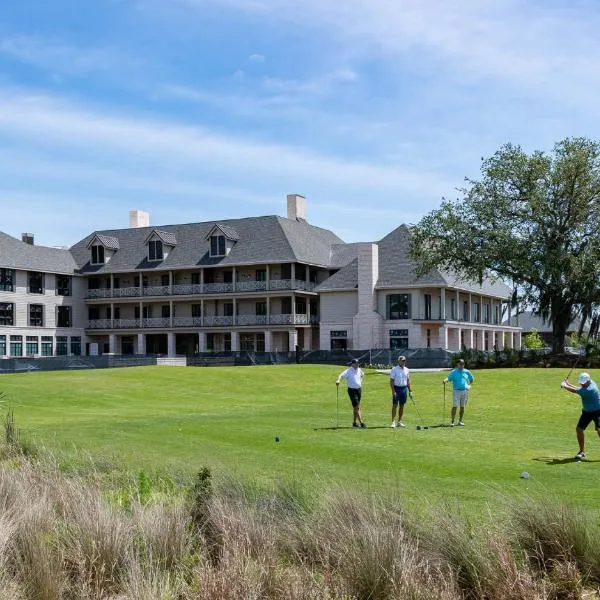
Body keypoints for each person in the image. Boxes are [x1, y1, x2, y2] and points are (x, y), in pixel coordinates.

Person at [561, 372, 600, 460]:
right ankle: (582, 452)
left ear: (588, 380)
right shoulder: (588, 384)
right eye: (581, 382)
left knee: (599, 430)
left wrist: (564, 385)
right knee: (579, 429)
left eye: (584, 382)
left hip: (598, 411)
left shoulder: (590, 389)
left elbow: (575, 391)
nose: (582, 383)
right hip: (587, 412)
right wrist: (568, 383)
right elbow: (579, 388)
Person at [336, 359, 367, 428]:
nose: (357, 364)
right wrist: (338, 380)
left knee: (355, 407)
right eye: (356, 363)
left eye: (358, 363)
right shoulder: (348, 371)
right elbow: (341, 375)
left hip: (359, 390)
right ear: (352, 364)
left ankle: (354, 423)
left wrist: (360, 381)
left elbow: (362, 375)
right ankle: (361, 422)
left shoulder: (359, 369)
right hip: (352, 390)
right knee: (356, 406)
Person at [443, 358, 474, 426]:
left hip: (465, 391)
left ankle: (460, 421)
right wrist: (445, 380)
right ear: (457, 364)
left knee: (462, 407)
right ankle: (452, 421)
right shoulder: (453, 372)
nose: (462, 365)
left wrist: (469, 386)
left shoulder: (467, 372)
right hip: (456, 391)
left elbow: (471, 380)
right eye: (460, 364)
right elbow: (449, 378)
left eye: (463, 364)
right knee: (455, 406)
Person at [389, 355, 412, 428]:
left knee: (402, 405)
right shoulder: (394, 369)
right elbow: (391, 381)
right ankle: (393, 422)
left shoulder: (407, 369)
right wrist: (393, 391)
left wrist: (410, 391)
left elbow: (408, 380)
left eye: (404, 360)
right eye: (402, 360)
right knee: (395, 405)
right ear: (399, 361)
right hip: (397, 388)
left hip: (404, 389)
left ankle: (399, 422)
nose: (404, 362)